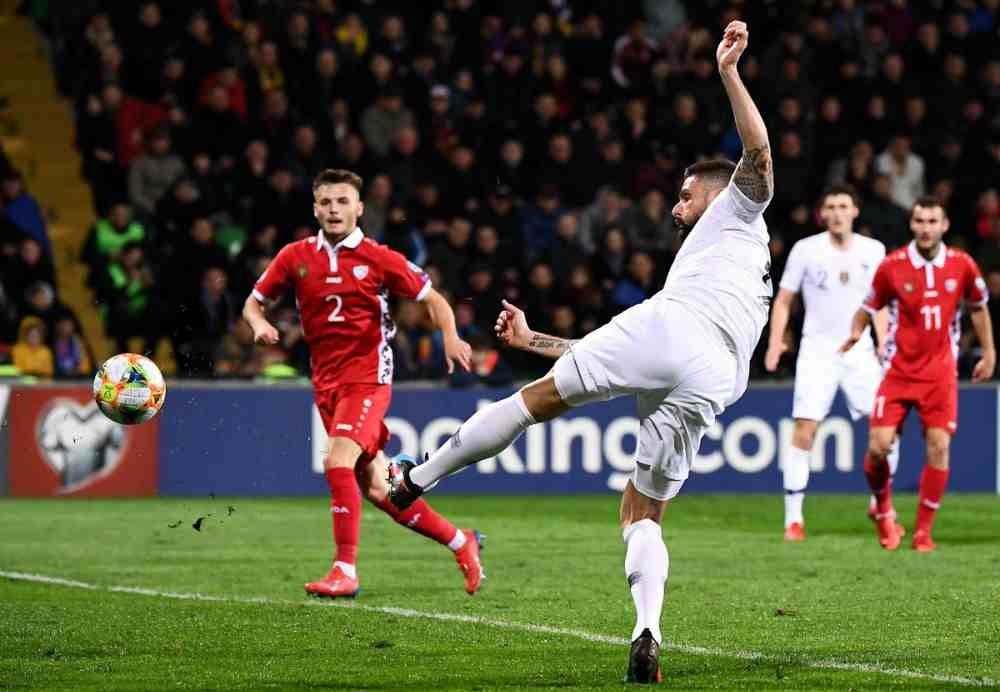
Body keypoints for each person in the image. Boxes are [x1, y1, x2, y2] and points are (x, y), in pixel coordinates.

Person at [388, 22, 771, 683]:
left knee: (532, 403)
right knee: (642, 511)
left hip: (676, 329)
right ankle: (648, 630)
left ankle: (417, 480)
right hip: (715, 376)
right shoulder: (733, 265)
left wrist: (728, 73)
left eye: (685, 195)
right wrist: (535, 340)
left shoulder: (737, 207)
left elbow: (758, 152)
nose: (677, 207)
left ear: (717, 190)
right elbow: (639, 352)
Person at [242, 168, 484, 599]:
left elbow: (433, 298)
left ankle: (344, 570)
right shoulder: (295, 256)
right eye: (325, 202)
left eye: (342, 201)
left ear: (358, 208)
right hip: (326, 383)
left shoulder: (379, 258)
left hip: (368, 378)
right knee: (378, 487)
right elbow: (253, 303)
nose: (334, 209)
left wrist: (450, 335)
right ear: (315, 209)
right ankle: (460, 541)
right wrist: (259, 324)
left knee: (337, 462)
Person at [840, 197, 995, 552]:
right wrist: (856, 331)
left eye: (932, 221)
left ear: (944, 225)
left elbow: (978, 307)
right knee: (878, 448)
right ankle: (883, 511)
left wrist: (989, 352)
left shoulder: (961, 265)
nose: (926, 228)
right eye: (920, 221)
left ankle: (923, 532)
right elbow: (868, 306)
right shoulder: (892, 266)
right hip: (898, 372)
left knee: (939, 447)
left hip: (940, 375)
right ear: (912, 225)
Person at [764, 183, 899, 541]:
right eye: (831, 207)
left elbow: (880, 304)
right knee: (804, 431)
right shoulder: (806, 250)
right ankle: (793, 520)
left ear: (855, 211)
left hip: (861, 352)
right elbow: (784, 299)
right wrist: (775, 342)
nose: (838, 213)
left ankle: (880, 503)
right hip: (818, 352)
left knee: (886, 431)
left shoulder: (874, 250)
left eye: (843, 206)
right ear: (822, 214)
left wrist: (884, 343)